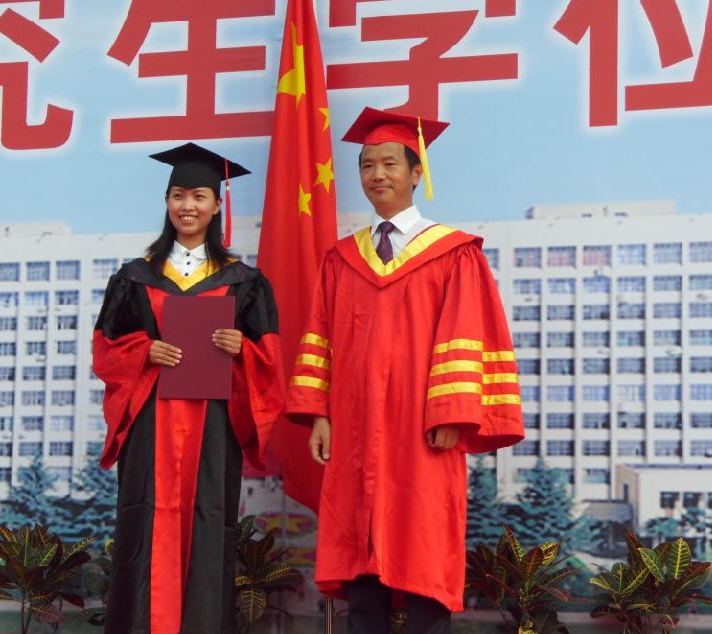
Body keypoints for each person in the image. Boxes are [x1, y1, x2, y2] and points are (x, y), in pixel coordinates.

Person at [285, 108, 525, 634]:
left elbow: (466, 333)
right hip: (353, 428)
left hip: (422, 429)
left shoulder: (453, 253)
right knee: (360, 550)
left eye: (389, 163)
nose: (377, 174)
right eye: (367, 165)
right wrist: (318, 413)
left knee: (422, 544)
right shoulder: (342, 258)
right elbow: (320, 336)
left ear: (417, 173)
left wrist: (452, 414)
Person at [93, 142, 284, 634]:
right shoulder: (134, 277)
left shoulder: (244, 282)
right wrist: (144, 351)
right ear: (166, 201)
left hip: (212, 428)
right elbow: (106, 350)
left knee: (208, 525)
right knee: (145, 522)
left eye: (199, 196)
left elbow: (270, 362)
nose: (188, 206)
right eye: (179, 195)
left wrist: (242, 348)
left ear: (218, 204)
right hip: (151, 426)